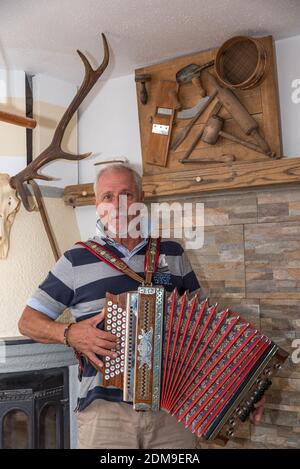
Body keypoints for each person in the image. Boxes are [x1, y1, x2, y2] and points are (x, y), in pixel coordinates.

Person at [18, 163, 265, 449]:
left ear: (142, 199)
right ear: (97, 205)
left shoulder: (172, 253)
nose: (118, 205)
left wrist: (245, 388)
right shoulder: (76, 259)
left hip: (173, 410)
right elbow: (27, 321)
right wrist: (70, 334)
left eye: (127, 194)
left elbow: (206, 333)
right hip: (106, 414)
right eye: (108, 197)